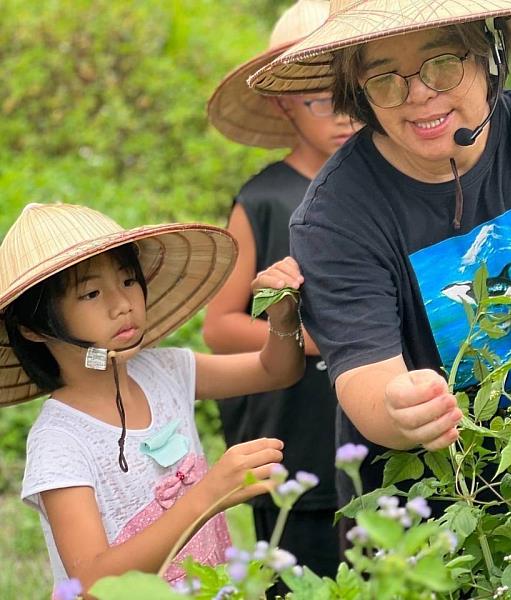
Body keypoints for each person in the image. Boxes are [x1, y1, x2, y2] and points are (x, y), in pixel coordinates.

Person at [247, 0, 511, 501]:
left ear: (489, 53)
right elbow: (366, 379)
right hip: (426, 522)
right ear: (360, 95)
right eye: (386, 81)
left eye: (442, 64)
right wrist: (399, 409)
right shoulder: (334, 216)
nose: (419, 94)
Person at [0, 203, 306, 594]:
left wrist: (281, 318)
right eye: (91, 293)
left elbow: (276, 370)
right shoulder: (60, 441)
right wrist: (210, 494)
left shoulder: (163, 371)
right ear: (34, 329)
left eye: (128, 281)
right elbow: (93, 583)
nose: (122, 304)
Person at [204, 0, 358, 580]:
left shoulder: (391, 187)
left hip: (385, 431)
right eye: (321, 99)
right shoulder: (265, 200)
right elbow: (220, 326)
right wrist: (321, 336)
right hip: (298, 430)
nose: (343, 115)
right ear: (283, 103)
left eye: (352, 94)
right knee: (302, 568)